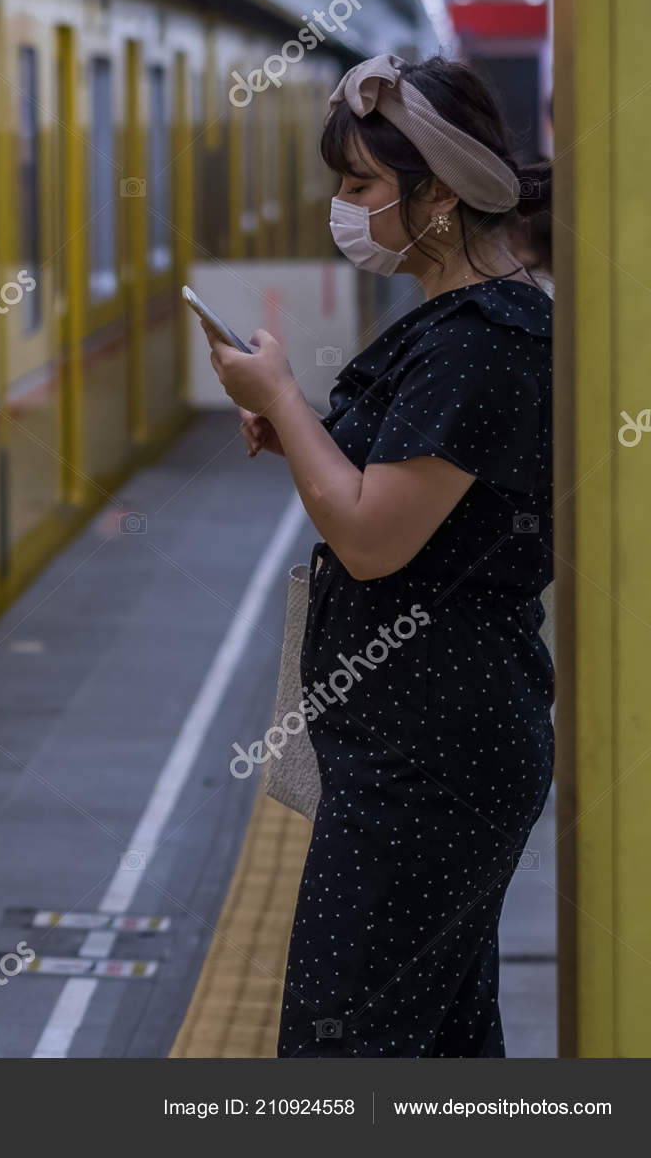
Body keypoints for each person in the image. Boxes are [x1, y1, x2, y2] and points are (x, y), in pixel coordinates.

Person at [205, 55, 554, 1057]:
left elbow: (368, 539)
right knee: (438, 1041)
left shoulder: (481, 338)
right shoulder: (466, 321)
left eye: (358, 186)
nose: (341, 207)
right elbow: (406, 493)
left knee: (339, 1046)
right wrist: (311, 434)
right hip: (426, 746)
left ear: (436, 192)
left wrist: (278, 399)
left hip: (433, 758)